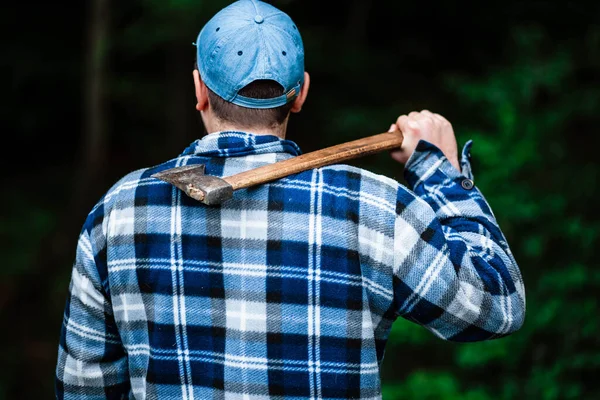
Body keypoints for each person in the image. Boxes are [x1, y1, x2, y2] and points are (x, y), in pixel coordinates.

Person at [55, 0, 526, 399]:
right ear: (300, 93)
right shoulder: (373, 208)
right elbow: (498, 304)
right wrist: (438, 172)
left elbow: (83, 387)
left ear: (199, 90)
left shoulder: (119, 212)